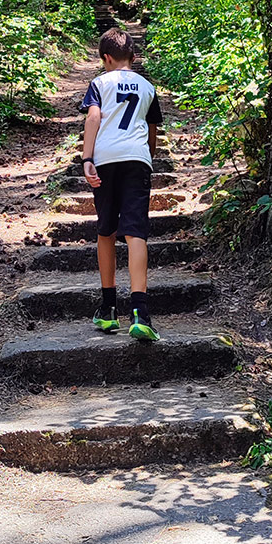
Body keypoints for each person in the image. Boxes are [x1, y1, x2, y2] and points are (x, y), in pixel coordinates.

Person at [80, 27, 163, 341]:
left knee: (106, 230)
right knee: (135, 231)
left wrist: (87, 158)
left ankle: (108, 308)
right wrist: (146, 157)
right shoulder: (147, 86)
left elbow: (93, 118)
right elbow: (151, 132)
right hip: (136, 159)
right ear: (134, 56)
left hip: (105, 159)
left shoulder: (100, 83)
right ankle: (140, 312)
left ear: (105, 58)